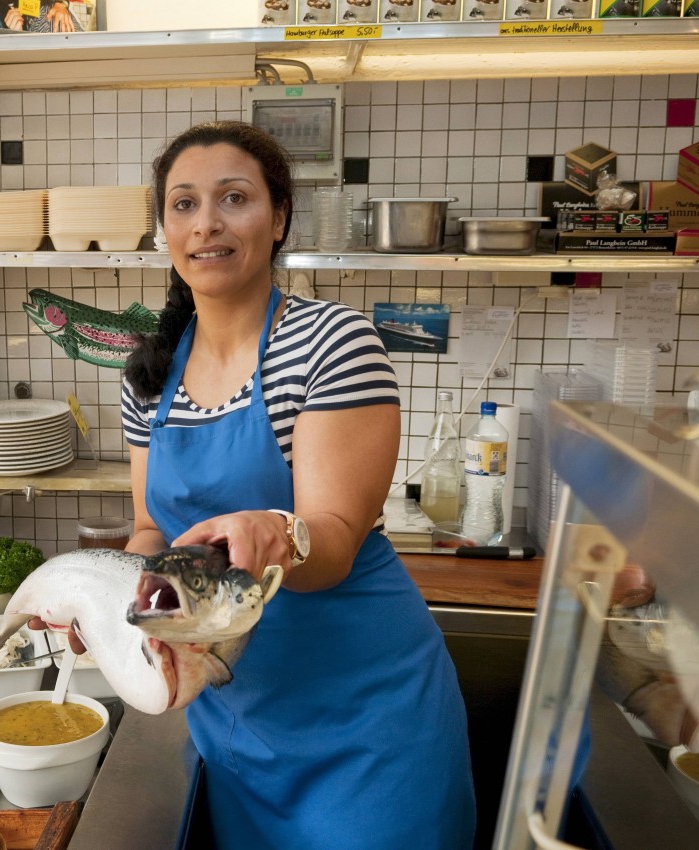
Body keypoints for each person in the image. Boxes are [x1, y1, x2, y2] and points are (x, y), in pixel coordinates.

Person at [119, 121, 476, 849]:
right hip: (237, 722)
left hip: (366, 727)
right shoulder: (148, 376)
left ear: (278, 218)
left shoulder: (332, 344)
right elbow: (152, 531)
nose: (207, 222)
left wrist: (275, 532)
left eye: (234, 198)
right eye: (184, 204)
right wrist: (105, 602)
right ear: (164, 228)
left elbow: (336, 540)